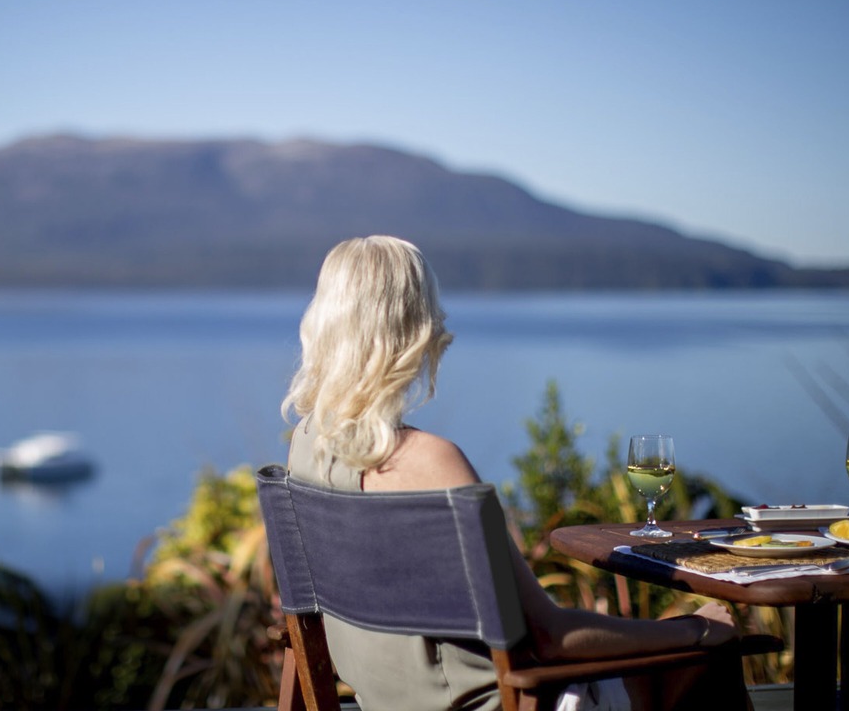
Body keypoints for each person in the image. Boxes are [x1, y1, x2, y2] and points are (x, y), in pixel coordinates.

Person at [280, 235, 750, 711]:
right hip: (499, 702)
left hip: (385, 701)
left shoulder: (306, 446)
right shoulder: (431, 463)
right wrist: (696, 629)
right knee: (708, 659)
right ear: (416, 330)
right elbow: (550, 637)